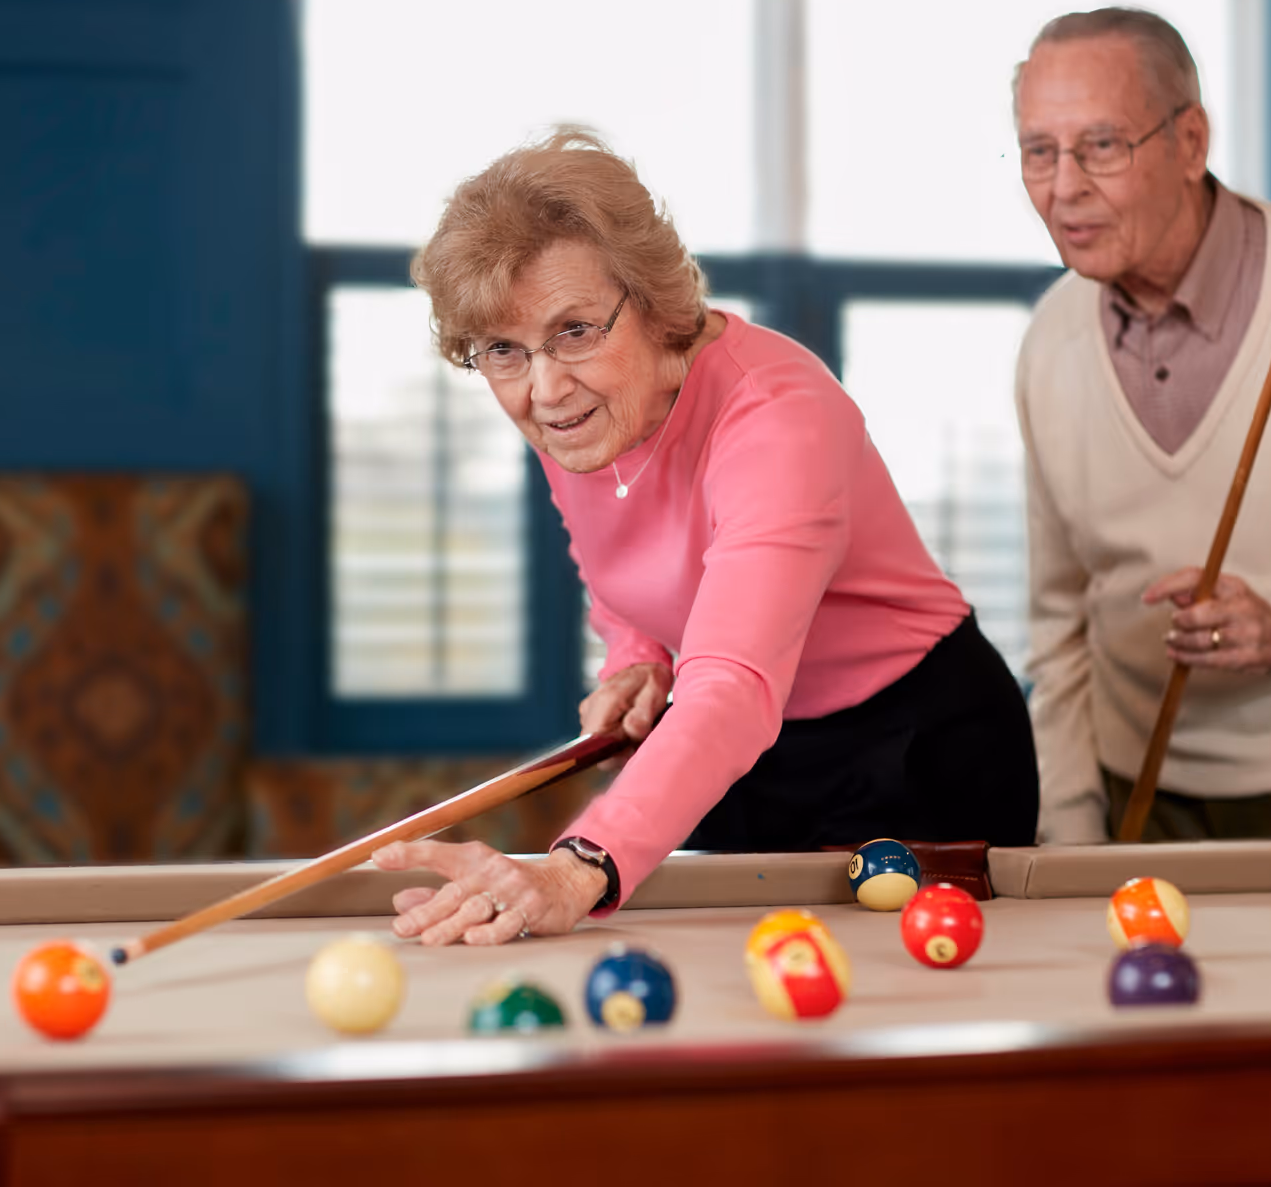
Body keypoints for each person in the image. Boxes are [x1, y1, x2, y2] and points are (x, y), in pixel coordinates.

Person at [373, 129, 1036, 945]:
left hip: (914, 747)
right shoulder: (583, 413)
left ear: (653, 305)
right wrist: (638, 658)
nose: (544, 388)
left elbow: (731, 683)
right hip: (749, 753)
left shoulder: (780, 418)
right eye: (504, 351)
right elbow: (624, 562)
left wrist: (582, 864)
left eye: (575, 330)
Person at [1014, 8, 1271, 843]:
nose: (1063, 189)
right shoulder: (1050, 340)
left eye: (1101, 146)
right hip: (1144, 797)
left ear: (1191, 142)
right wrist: (1066, 830)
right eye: (1038, 151)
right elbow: (1059, 631)